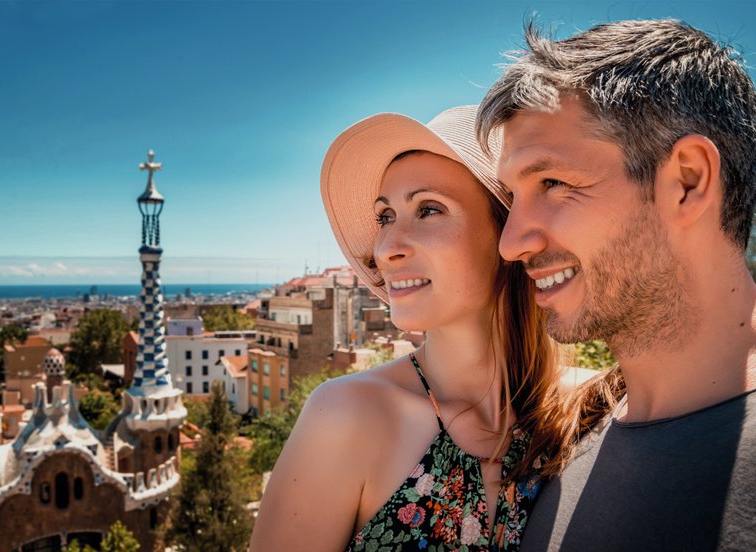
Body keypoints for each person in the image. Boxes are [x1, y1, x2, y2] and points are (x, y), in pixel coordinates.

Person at [476, 19, 756, 551]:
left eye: (553, 183)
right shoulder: (559, 441)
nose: (511, 242)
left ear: (687, 181)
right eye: (513, 199)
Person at [250, 105, 593, 551]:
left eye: (429, 210)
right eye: (385, 217)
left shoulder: (592, 411)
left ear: (508, 231)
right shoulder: (348, 416)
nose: (386, 248)